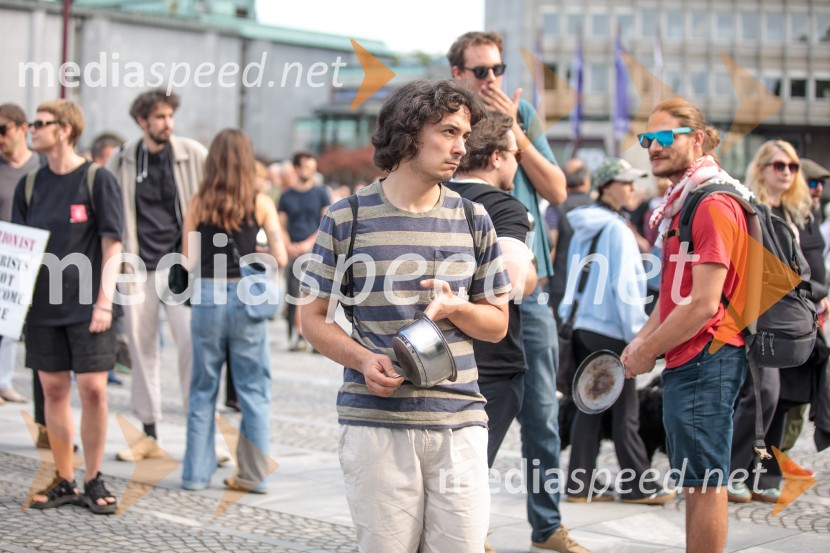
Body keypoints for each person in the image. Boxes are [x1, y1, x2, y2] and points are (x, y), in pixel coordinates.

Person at [300, 79, 510, 552]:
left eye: (465, 135)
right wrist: (362, 360)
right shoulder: (346, 218)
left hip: (460, 421)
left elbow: (498, 324)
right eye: (449, 132)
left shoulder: (474, 219)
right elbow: (311, 318)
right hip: (376, 424)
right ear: (409, 132)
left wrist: (458, 308)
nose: (462, 148)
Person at [448, 31, 577, 553]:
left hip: (530, 289)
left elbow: (557, 190)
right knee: (466, 413)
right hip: (469, 292)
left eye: (498, 69)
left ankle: (546, 527)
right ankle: (467, 527)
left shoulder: (522, 117)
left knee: (541, 412)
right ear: (458, 73)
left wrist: (516, 133)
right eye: (481, 70)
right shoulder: (450, 115)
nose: (492, 79)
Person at [622, 98, 751, 553]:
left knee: (705, 482)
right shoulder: (685, 201)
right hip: (692, 357)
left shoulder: (712, 202)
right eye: (647, 139)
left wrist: (647, 349)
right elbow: (675, 296)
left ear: (697, 139)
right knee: (696, 479)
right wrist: (641, 340)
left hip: (708, 355)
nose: (653, 147)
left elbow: (703, 304)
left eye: (663, 137)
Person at [12, 99, 123, 514]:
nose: (32, 129)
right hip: (43, 307)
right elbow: (18, 249)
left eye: (40, 123)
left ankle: (94, 477)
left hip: (90, 305)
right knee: (53, 391)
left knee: (94, 390)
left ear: (64, 130)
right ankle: (65, 478)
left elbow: (113, 245)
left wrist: (105, 303)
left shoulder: (97, 179)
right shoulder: (29, 185)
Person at [560, 157, 675, 505]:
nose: (632, 189)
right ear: (607, 186)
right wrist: (639, 336)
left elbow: (572, 275)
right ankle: (638, 485)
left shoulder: (586, 223)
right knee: (625, 410)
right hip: (611, 330)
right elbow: (625, 287)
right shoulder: (617, 229)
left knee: (590, 408)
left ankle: (580, 485)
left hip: (584, 326)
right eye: (625, 183)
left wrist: (568, 315)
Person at [181, 129, 286, 492]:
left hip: (208, 294)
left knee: (202, 389)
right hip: (247, 297)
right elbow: (280, 256)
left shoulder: (199, 202)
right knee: (253, 391)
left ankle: (195, 476)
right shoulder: (260, 202)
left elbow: (188, 261)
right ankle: (253, 476)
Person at [107, 89, 207, 461]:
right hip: (137, 267)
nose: (168, 124)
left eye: (170, 116)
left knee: (192, 347)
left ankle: (201, 433)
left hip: (182, 270)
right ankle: (148, 434)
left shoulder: (192, 154)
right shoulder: (122, 159)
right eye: (160, 117)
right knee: (141, 349)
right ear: (142, 121)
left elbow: (214, 200)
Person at [728, 140, 825, 503]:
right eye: (779, 165)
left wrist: (815, 295)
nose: (787, 172)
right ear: (762, 168)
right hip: (759, 317)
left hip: (793, 319)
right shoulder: (750, 209)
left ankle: (763, 473)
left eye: (793, 166)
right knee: (764, 392)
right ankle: (730, 471)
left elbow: (808, 269)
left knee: (784, 396)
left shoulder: (797, 213)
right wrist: (814, 291)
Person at [444, 110, 537, 470]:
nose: (517, 164)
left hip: (435, 353)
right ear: (497, 157)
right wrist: (532, 272)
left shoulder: (434, 196)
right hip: (490, 363)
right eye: (517, 155)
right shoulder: (505, 206)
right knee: (465, 480)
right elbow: (512, 281)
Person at [0, 104, 39, 407]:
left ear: (23, 129)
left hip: (29, 255)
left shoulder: (40, 165)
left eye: (3, 130)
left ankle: (4, 382)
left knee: (12, 325)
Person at [278, 152, 329, 352]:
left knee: (313, 294)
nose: (311, 171)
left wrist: (309, 243)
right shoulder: (286, 196)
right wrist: (288, 245)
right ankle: (297, 334)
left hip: (315, 250)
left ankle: (315, 337)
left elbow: (326, 222)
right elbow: (281, 225)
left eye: (313, 168)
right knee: (293, 294)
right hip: (293, 251)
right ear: (297, 168)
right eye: (307, 167)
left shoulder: (321, 193)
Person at [548, 160, 593, 327]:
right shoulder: (597, 208)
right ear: (587, 182)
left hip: (562, 283)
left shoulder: (556, 207)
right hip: (593, 284)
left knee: (563, 332)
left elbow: (551, 246)